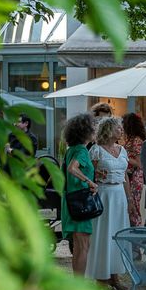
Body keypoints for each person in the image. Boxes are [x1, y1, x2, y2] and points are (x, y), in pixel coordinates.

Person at [85, 117, 130, 290]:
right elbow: (88, 172)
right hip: (103, 194)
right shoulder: (96, 150)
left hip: (119, 195)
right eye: (118, 128)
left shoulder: (122, 150)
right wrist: (97, 174)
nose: (121, 130)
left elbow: (125, 175)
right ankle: (101, 277)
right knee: (103, 235)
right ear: (108, 130)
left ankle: (115, 276)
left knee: (118, 234)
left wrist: (130, 198)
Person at [61, 113, 98, 277]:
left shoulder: (72, 150)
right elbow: (72, 168)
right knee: (83, 247)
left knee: (78, 247)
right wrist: (90, 182)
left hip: (71, 201)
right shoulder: (82, 150)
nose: (96, 131)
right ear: (86, 131)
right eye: (93, 128)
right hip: (81, 203)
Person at [122, 113, 146, 227]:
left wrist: (122, 157)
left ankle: (136, 240)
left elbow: (139, 163)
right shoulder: (130, 139)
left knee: (134, 208)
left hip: (135, 178)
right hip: (129, 177)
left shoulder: (136, 140)